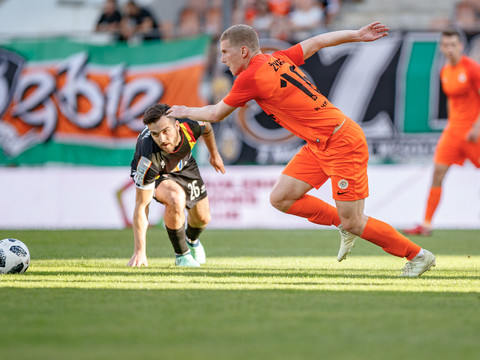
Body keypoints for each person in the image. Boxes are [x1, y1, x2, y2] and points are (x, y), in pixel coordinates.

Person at [167, 22, 436, 277]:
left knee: (355, 221)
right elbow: (318, 41)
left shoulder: (250, 76)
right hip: (320, 143)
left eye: (225, 52)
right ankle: (343, 223)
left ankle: (417, 255)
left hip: (341, 142)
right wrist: (357, 34)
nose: (223, 59)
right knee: (282, 198)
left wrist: (183, 110)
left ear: (243, 51)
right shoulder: (278, 58)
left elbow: (216, 113)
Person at [128, 104, 225, 267]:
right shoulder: (148, 158)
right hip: (158, 174)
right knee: (175, 198)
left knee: (203, 218)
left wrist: (214, 155)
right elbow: (141, 205)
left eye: (166, 131)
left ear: (177, 126)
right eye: (155, 134)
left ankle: (192, 240)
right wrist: (139, 251)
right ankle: (182, 256)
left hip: (184, 165)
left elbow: (207, 127)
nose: (162, 139)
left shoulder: (190, 124)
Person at [404, 29, 480, 236]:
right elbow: (452, 100)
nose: (449, 48)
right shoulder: (445, 70)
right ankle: (426, 224)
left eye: (453, 44)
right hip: (453, 132)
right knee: (437, 173)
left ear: (461, 46)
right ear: (442, 48)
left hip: (474, 132)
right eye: (446, 45)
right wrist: (450, 123)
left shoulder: (472, 69)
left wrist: (477, 126)